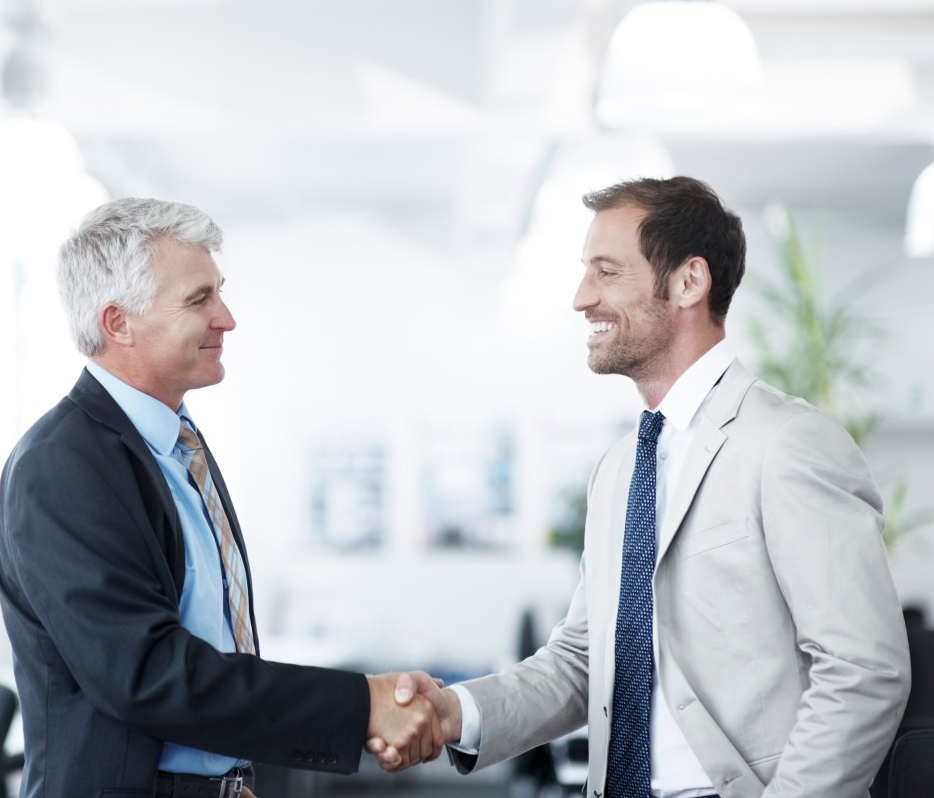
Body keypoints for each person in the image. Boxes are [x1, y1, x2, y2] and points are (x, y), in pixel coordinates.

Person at [371, 176, 911, 797]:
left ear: (688, 282)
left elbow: (862, 669)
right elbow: (585, 661)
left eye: (606, 272)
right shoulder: (620, 469)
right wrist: (452, 713)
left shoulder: (786, 443)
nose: (581, 298)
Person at [0, 197, 444, 798]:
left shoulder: (178, 447)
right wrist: (363, 705)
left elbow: (212, 640)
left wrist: (228, 779)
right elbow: (147, 674)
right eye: (199, 299)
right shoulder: (63, 466)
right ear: (117, 322)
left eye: (219, 293)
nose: (226, 318)